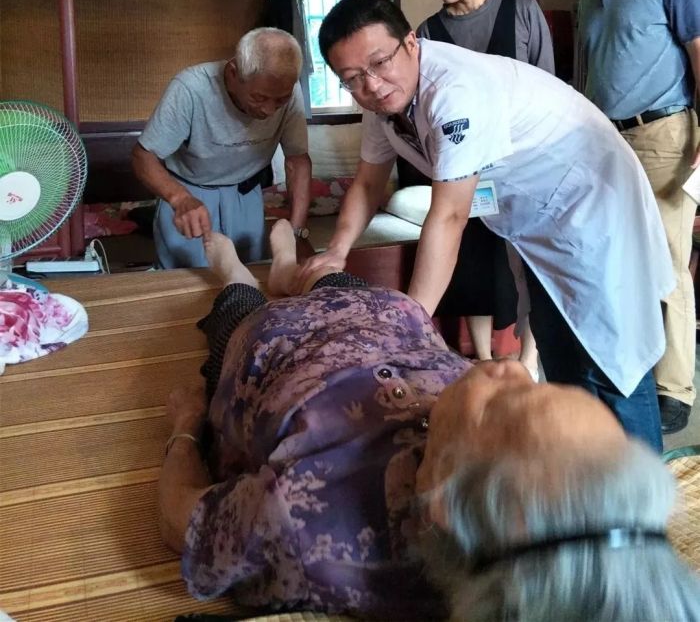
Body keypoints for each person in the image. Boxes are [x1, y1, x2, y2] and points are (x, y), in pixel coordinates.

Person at [159, 225, 700, 619]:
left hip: (273, 346)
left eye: (502, 403)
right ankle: (287, 264)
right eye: (538, 386)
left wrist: (185, 429)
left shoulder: (304, 520)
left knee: (239, 301)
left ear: (443, 496)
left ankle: (235, 270)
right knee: (326, 275)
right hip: (387, 319)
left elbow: (179, 518)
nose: (512, 368)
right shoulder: (498, 494)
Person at [299, 0, 674, 453]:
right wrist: (336, 251)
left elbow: (449, 215)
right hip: (538, 222)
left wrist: (408, 326)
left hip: (593, 206)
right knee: (559, 349)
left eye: (379, 63)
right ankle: (583, 472)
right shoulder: (385, 104)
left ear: (411, 43)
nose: (372, 85)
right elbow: (367, 183)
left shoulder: (455, 91)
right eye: (353, 78)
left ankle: (642, 483)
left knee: (611, 363)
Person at [555, 0, 700, 434]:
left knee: (667, 258)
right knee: (613, 260)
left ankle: (675, 386)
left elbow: (699, 48)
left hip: (662, 133)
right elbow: (586, 75)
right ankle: (631, 366)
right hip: (605, 141)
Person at [414, 0, 556, 377]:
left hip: (525, 165)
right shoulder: (429, 32)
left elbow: (548, 88)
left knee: (530, 263)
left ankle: (528, 363)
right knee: (473, 260)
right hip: (467, 168)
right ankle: (483, 359)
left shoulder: (521, 9)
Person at [132, 27, 312, 269]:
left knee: (251, 276)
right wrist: (179, 198)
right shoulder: (191, 88)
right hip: (190, 194)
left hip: (245, 194)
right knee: (188, 278)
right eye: (259, 98)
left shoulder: (289, 90)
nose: (269, 110)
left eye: (280, 100)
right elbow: (143, 156)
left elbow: (297, 161)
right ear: (234, 73)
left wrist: (297, 232)